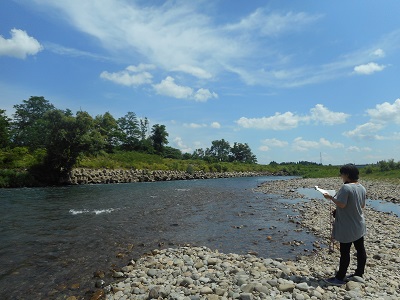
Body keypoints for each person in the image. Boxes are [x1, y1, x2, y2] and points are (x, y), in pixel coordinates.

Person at [323, 164, 367, 286]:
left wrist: (330, 197)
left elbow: (342, 204)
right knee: (360, 249)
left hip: (348, 226)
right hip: (359, 223)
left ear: (347, 175)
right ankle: (359, 273)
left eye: (342, 174)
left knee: (345, 251)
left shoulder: (345, 188)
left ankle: (339, 278)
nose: (341, 176)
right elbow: (362, 205)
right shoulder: (362, 187)